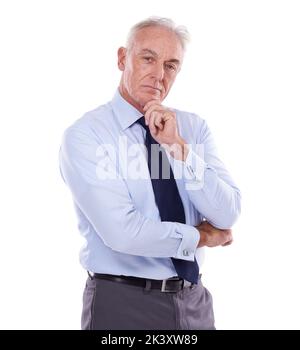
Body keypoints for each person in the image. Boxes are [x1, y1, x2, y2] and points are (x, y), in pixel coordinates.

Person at [59, 17, 241, 330]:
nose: (159, 75)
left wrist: (178, 148)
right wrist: (202, 237)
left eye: (171, 65)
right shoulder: (87, 135)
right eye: (148, 58)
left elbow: (228, 212)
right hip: (122, 303)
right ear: (122, 58)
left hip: (194, 302)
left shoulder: (192, 128)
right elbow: (123, 232)